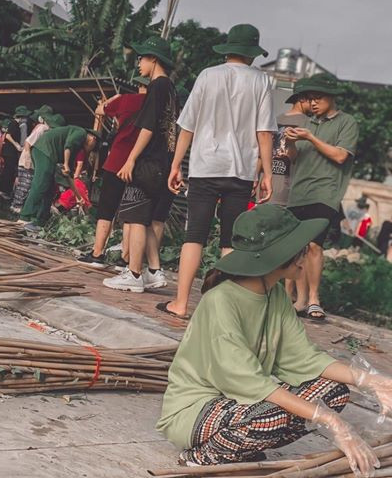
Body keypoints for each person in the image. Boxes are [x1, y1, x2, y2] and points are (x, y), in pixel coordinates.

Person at [157, 204, 392, 471]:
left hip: (240, 401)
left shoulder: (276, 294)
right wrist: (331, 422)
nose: (305, 258)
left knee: (333, 391)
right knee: (272, 417)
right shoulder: (221, 301)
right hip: (195, 411)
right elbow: (251, 383)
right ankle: (203, 455)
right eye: (301, 251)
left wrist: (369, 380)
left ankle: (240, 445)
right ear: (279, 255)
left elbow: (304, 358)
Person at [160, 24, 276, 318]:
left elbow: (187, 125)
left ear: (228, 50)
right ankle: (223, 311)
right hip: (241, 170)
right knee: (230, 240)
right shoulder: (261, 81)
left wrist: (175, 164)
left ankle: (181, 304)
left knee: (194, 235)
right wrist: (267, 175)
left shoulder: (208, 76)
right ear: (252, 54)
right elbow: (265, 133)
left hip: (205, 166)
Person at [104, 37, 179, 293]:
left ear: (153, 59)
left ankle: (134, 274)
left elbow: (147, 127)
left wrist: (131, 158)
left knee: (135, 217)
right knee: (145, 219)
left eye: (142, 58)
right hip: (163, 161)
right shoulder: (171, 88)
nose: (139, 64)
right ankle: (155, 272)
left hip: (148, 161)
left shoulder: (157, 87)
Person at [285, 73, 359, 320]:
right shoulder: (304, 123)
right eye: (309, 99)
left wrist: (310, 138)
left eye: (318, 98)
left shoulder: (346, 122)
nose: (313, 103)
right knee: (298, 249)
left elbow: (340, 156)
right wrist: (292, 144)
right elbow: (295, 158)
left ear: (331, 98)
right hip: (298, 192)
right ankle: (301, 299)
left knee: (315, 245)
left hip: (326, 192)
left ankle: (315, 299)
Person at [79, 79, 148, 267]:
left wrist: (115, 97)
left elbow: (100, 110)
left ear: (139, 85)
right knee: (130, 211)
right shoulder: (155, 106)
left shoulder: (126, 100)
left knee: (107, 207)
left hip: (118, 160)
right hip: (141, 163)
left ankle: (98, 252)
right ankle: (125, 258)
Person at [19, 125, 101, 233]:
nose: (91, 150)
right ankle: (25, 218)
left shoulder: (77, 148)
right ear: (93, 139)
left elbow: (69, 175)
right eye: (93, 147)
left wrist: (78, 197)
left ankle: (40, 221)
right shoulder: (81, 132)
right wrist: (66, 164)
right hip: (44, 151)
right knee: (41, 184)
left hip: (49, 155)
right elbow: (68, 145)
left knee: (50, 190)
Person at [272, 92, 312, 207]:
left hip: (265, 186)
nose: (314, 104)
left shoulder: (275, 119)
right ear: (302, 99)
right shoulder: (310, 124)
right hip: (289, 191)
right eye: (312, 99)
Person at [11, 108, 51, 212]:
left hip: (33, 161)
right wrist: (28, 159)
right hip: (27, 161)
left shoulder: (46, 129)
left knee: (27, 185)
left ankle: (20, 207)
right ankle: (16, 207)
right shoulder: (42, 128)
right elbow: (28, 142)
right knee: (24, 185)